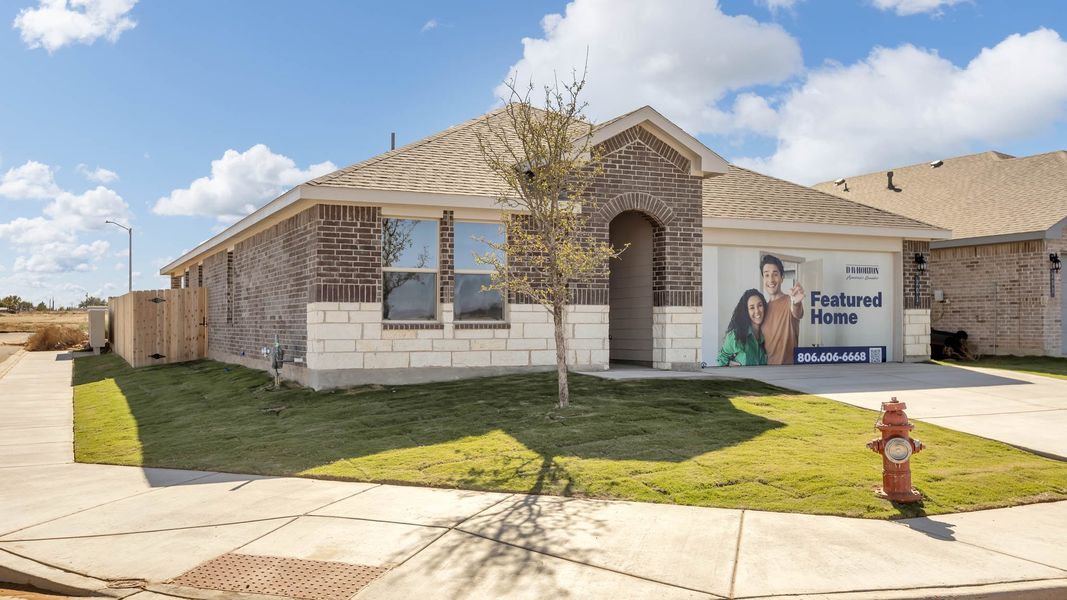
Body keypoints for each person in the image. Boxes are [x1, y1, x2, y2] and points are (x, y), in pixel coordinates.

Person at [760, 254, 804, 365]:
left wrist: (797, 303)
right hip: (767, 372)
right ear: (763, 279)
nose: (771, 279)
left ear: (782, 278)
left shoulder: (790, 301)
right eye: (766, 275)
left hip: (789, 373)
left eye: (775, 274)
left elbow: (797, 313)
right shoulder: (762, 309)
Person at [717, 289, 768, 367]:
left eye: (760, 305)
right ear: (746, 311)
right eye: (752, 308)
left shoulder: (767, 335)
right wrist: (729, 364)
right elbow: (720, 360)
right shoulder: (734, 335)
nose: (757, 311)